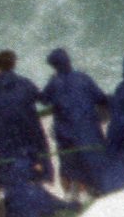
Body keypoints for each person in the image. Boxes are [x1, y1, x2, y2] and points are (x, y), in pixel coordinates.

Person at [41, 48, 110, 191]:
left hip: (68, 136)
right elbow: (100, 97)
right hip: (90, 131)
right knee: (97, 162)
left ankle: (78, 190)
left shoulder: (54, 83)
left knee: (71, 166)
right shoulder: (83, 77)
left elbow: (44, 100)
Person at [0, 159, 74, 217]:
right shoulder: (30, 190)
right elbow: (50, 203)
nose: (38, 168)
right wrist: (72, 205)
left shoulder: (12, 190)